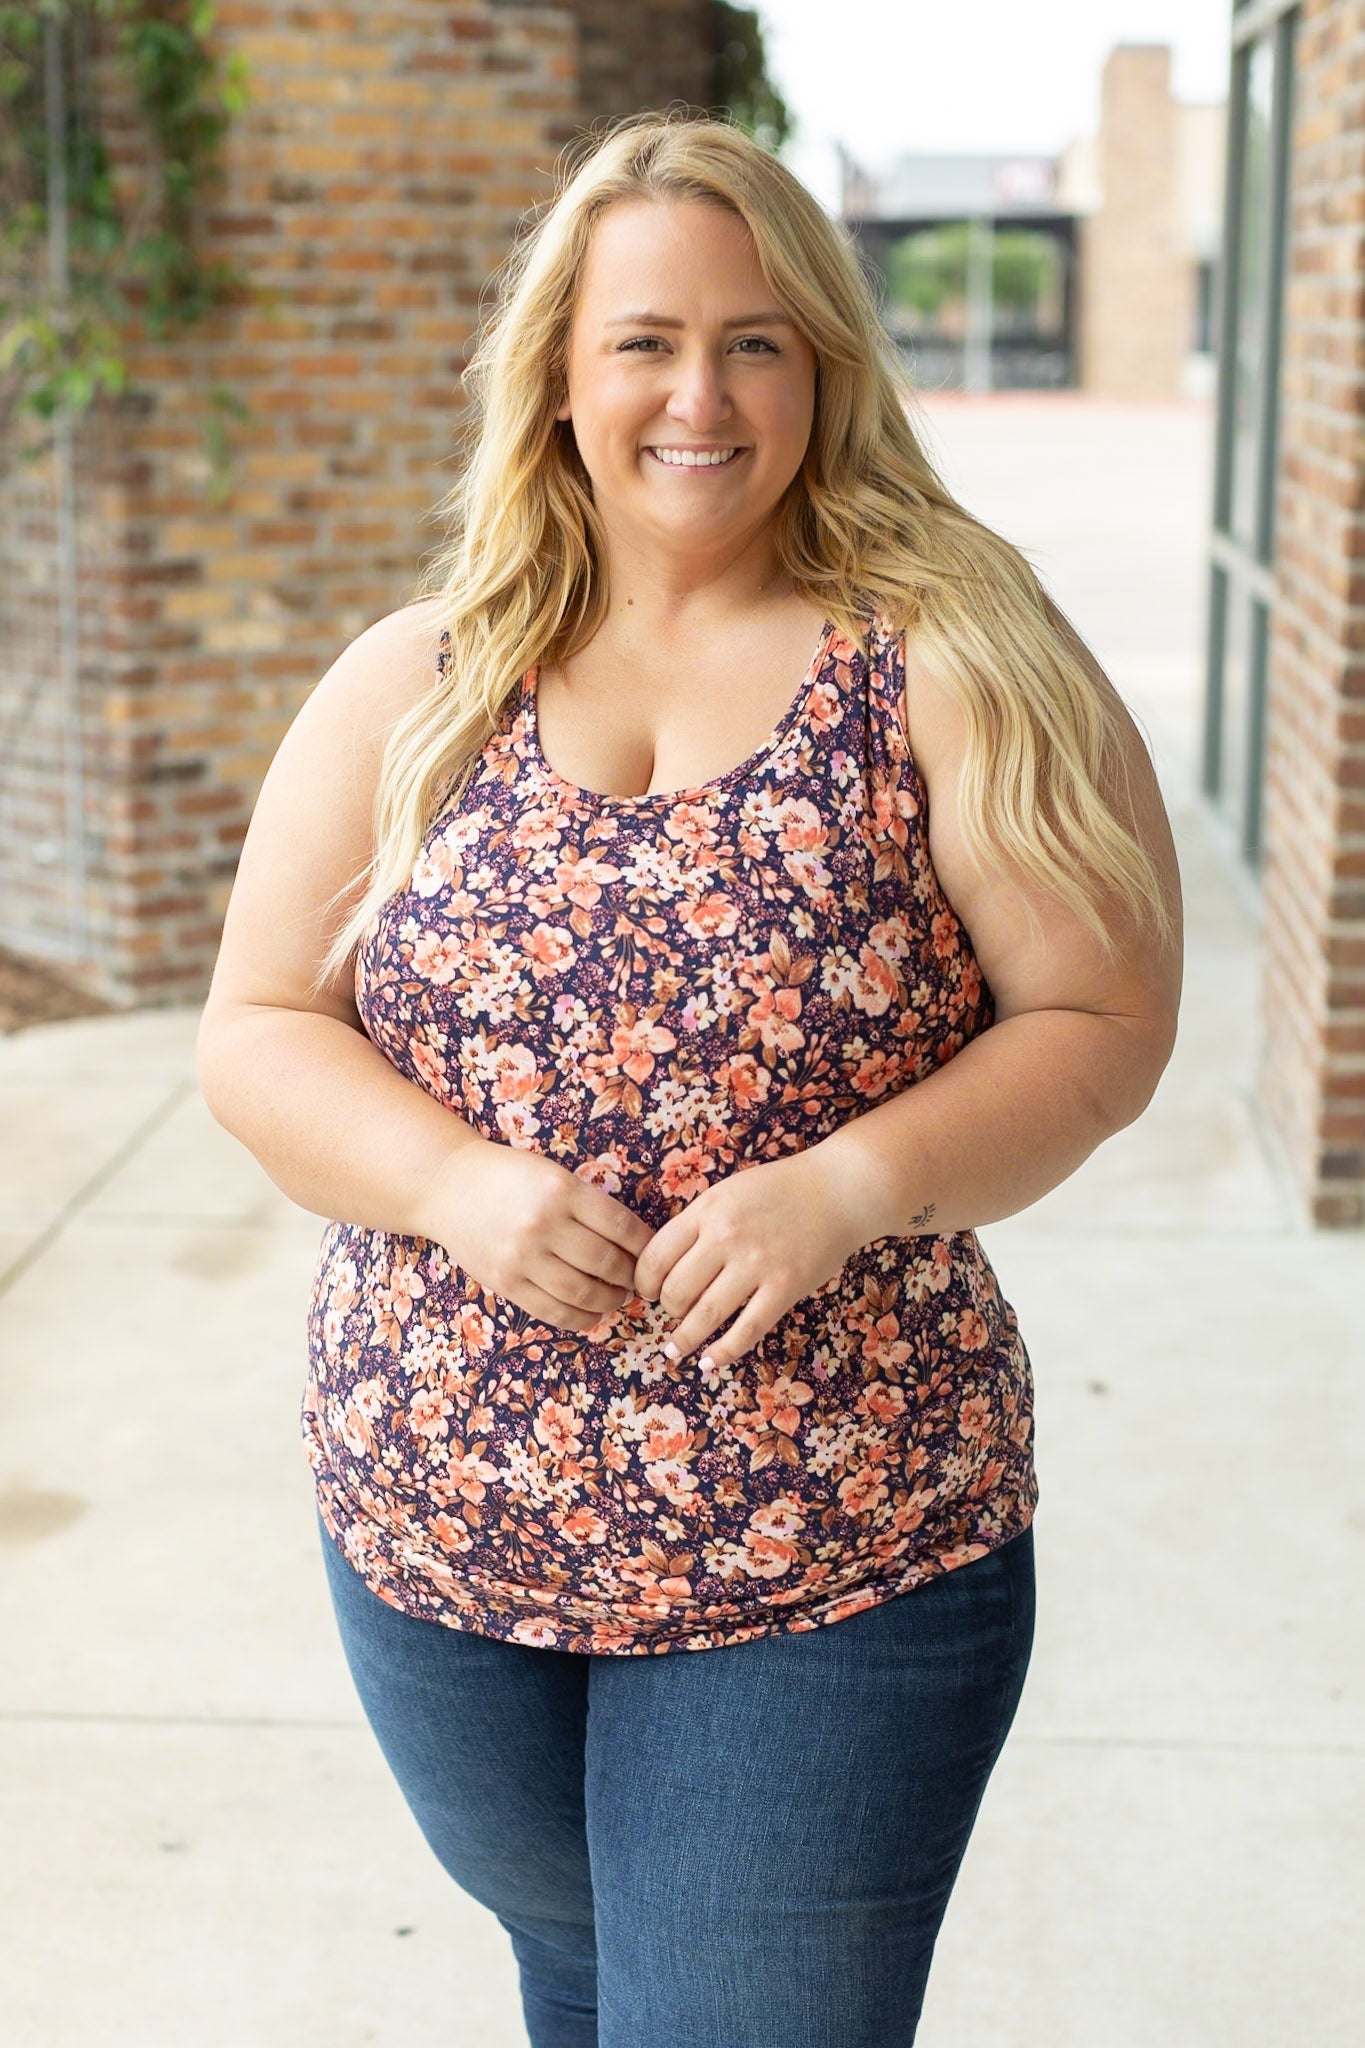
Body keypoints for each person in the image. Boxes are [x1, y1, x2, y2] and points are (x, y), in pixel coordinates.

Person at [196, 112, 1182, 2048]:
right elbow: (256, 1029)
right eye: (643, 338)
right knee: (579, 1986)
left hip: (830, 1540)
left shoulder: (953, 660)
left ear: (821, 367)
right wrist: (452, 1184)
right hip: (437, 1534)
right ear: (558, 374)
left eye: (755, 340)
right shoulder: (420, 679)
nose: (698, 393)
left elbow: (1099, 1021)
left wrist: (849, 1183)